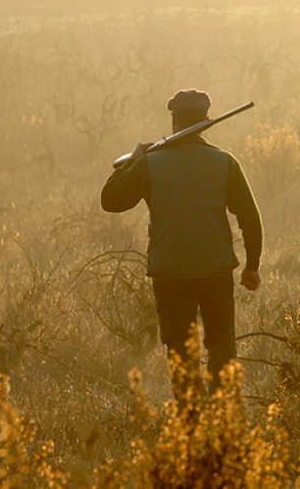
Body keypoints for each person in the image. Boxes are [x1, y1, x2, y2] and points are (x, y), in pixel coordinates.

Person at [100, 89, 263, 395]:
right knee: (222, 348)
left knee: (181, 356)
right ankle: (224, 424)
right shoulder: (225, 162)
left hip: (170, 274)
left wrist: (133, 161)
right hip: (215, 272)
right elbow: (250, 218)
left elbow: (110, 200)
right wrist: (251, 267)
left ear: (174, 120)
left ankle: (191, 430)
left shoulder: (150, 163)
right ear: (206, 121)